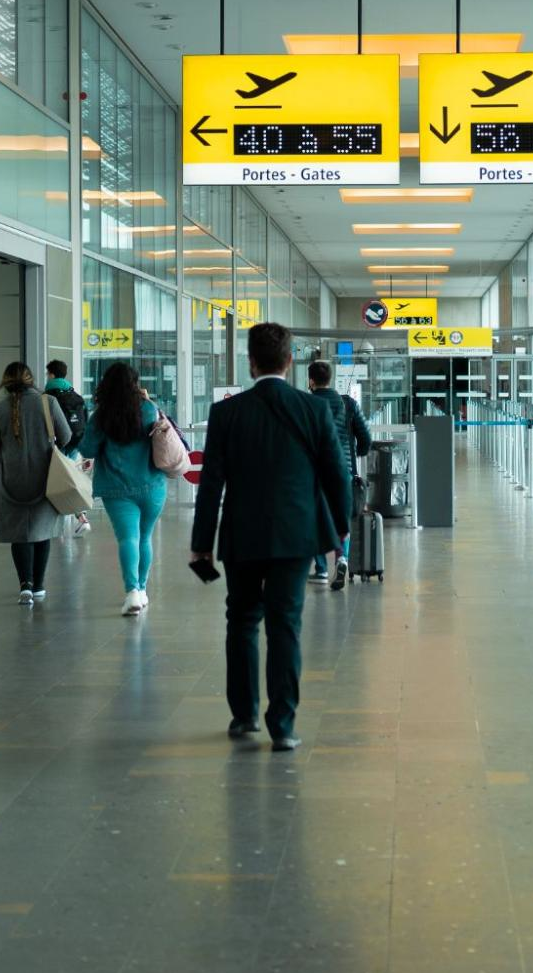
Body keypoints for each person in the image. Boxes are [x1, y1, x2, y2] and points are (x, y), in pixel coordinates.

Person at [191, 323, 350, 753]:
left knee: (241, 620)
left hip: (241, 534)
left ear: (251, 361)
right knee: (286, 624)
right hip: (296, 536)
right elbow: (337, 473)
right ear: (290, 360)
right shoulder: (312, 410)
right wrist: (341, 530)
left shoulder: (227, 413)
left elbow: (211, 483)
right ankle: (283, 725)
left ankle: (244, 714)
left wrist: (202, 541)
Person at [76, 361, 167, 616]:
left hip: (117, 490)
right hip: (152, 486)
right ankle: (142, 589)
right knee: (145, 537)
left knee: (128, 538)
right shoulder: (148, 409)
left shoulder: (101, 416)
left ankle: (132, 593)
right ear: (134, 385)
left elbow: (88, 449)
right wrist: (147, 400)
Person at [0, 361, 70, 606]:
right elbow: (65, 436)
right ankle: (40, 586)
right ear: (31, 379)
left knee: (19, 535)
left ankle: (25, 586)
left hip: (11, 483)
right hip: (44, 480)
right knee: (42, 533)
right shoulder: (48, 403)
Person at [307, 359, 371, 590]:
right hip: (343, 470)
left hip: (314, 472)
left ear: (311, 381)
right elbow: (366, 437)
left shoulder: (306, 403)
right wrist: (358, 453)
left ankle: (322, 569)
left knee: (315, 519)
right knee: (342, 518)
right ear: (330, 379)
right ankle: (342, 559)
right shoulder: (349, 404)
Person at [42, 359, 91, 537]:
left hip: (57, 444)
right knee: (69, 479)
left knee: (58, 482)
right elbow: (86, 420)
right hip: (75, 443)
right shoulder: (75, 395)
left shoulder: (49, 397)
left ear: (52, 374)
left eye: (48, 373)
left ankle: (64, 524)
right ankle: (81, 517)